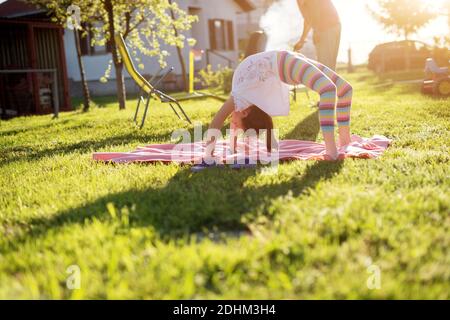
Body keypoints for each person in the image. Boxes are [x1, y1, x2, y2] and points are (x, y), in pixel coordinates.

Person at [204, 50, 353, 162]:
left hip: (286, 60)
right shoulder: (245, 102)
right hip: (285, 63)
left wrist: (209, 154)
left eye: (235, 123)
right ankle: (334, 148)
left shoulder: (239, 97)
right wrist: (232, 148)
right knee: (328, 89)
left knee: (345, 90)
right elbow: (234, 124)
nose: (232, 121)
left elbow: (217, 121)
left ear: (244, 113)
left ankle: (340, 145)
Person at [294, 0, 341, 70]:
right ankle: (330, 80)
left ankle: (326, 80)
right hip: (336, 25)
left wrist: (317, 31)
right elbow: (309, 19)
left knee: (325, 68)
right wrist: (302, 39)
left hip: (325, 28)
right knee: (330, 67)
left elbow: (308, 18)